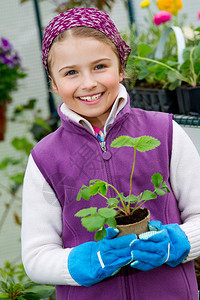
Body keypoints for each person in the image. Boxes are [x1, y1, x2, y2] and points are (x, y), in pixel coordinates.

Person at [21, 7, 200, 300]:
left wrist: (177, 242)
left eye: (100, 66)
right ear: (53, 83)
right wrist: (85, 261)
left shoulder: (165, 132)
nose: (88, 83)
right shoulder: (45, 157)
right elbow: (36, 257)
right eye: (70, 73)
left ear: (121, 66)